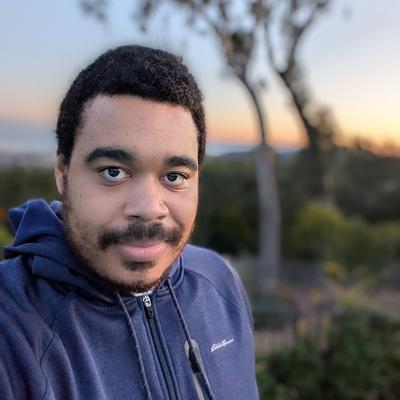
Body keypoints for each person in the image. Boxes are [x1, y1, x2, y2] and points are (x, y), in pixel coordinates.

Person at [0, 45, 259, 400]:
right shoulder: (12, 325)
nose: (149, 208)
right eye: (113, 172)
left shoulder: (219, 282)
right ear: (63, 173)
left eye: (174, 176)